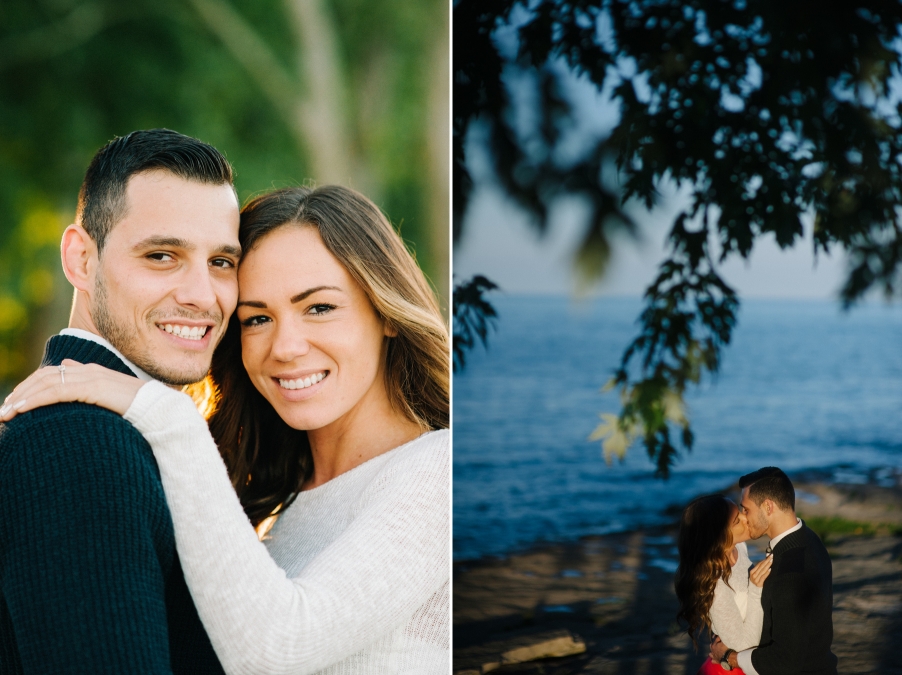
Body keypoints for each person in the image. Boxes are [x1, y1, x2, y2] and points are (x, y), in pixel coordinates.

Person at [2, 185, 451, 674]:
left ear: (385, 313)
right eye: (257, 318)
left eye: (319, 308)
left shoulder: (442, 471)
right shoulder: (283, 509)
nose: (285, 347)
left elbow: (283, 645)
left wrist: (164, 414)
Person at [0, 129, 240, 672]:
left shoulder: (135, 432)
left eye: (222, 262)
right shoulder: (76, 446)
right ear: (81, 260)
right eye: (162, 255)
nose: (203, 295)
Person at [710, 468, 837, 675]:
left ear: (768, 507)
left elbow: (783, 663)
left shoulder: (788, 576)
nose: (744, 517)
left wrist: (728, 656)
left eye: (746, 509)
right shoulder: (811, 539)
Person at [676, 494, 774, 674]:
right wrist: (756, 588)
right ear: (718, 537)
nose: (746, 518)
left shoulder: (739, 548)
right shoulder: (716, 585)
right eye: (737, 520)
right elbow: (744, 645)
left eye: (741, 512)